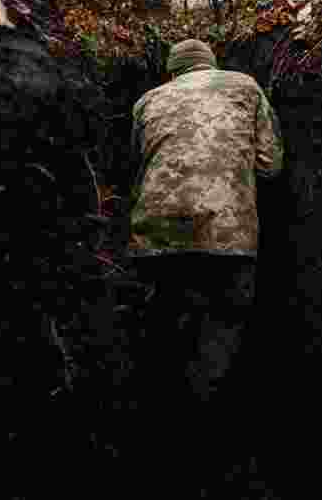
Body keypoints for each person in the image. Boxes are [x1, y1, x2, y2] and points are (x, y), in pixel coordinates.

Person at [127, 38, 284, 496]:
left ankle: (158, 443)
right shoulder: (245, 87)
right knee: (220, 329)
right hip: (228, 239)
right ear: (212, 64)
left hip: (154, 238)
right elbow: (270, 166)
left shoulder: (147, 101)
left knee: (164, 329)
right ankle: (210, 447)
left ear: (172, 73)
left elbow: (138, 161)